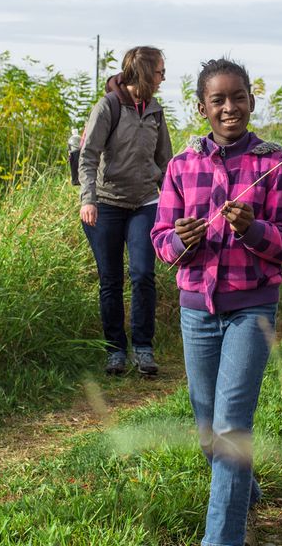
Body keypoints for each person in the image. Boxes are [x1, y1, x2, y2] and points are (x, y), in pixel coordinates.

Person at [151, 58, 282, 546]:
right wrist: (182, 241)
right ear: (202, 108)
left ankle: (221, 538)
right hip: (197, 310)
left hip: (252, 308)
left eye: (239, 97)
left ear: (252, 102)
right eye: (218, 100)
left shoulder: (273, 162)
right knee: (208, 433)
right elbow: (161, 241)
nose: (230, 107)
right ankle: (244, 489)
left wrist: (252, 229)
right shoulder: (181, 165)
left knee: (232, 425)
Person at [79, 46, 173, 376]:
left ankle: (143, 348)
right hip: (105, 204)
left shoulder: (156, 111)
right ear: (146, 73)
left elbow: (165, 163)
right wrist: (87, 199)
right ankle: (115, 350)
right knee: (111, 280)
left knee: (144, 274)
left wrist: (176, 202)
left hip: (145, 203)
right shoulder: (108, 107)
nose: (163, 78)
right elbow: (88, 156)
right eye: (160, 71)